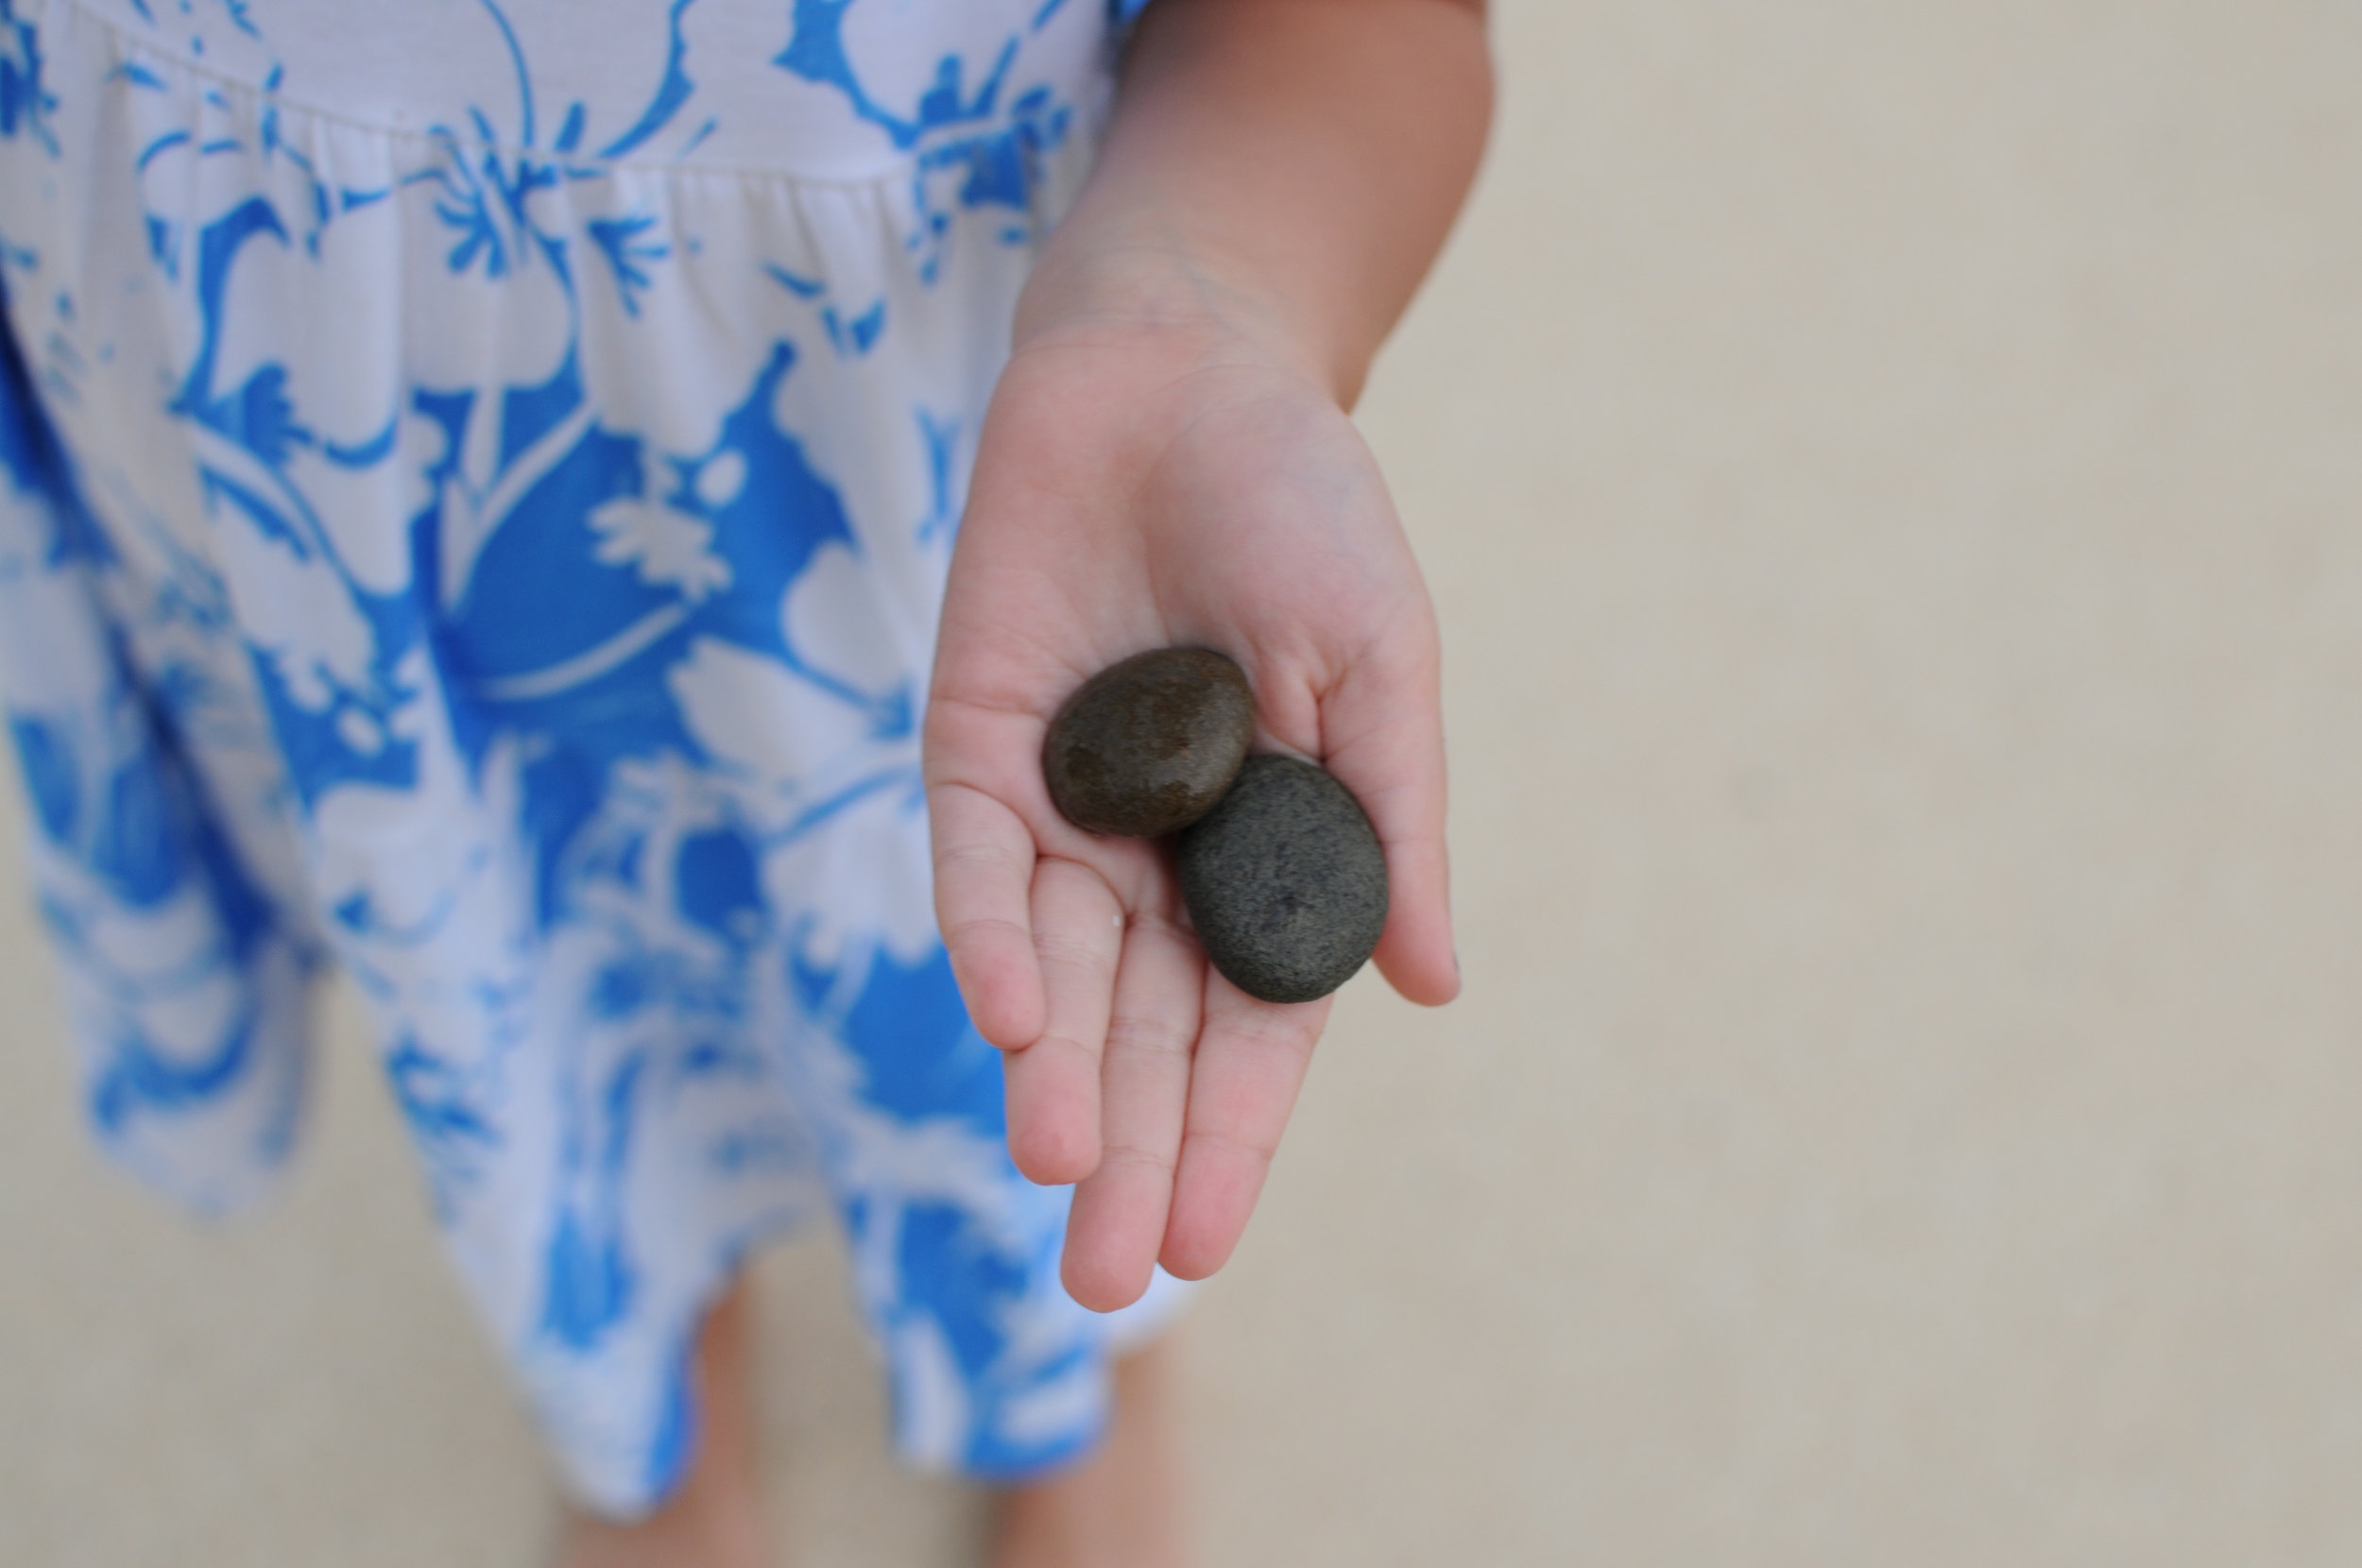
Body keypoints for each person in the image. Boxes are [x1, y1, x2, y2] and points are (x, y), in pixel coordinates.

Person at [0, 0, 1490, 1561]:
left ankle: (1068, 1372)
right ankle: (660, 1372)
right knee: (543, 961)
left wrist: (1213, 300)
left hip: (942, 444)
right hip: (261, 366)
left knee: (1016, 1017)